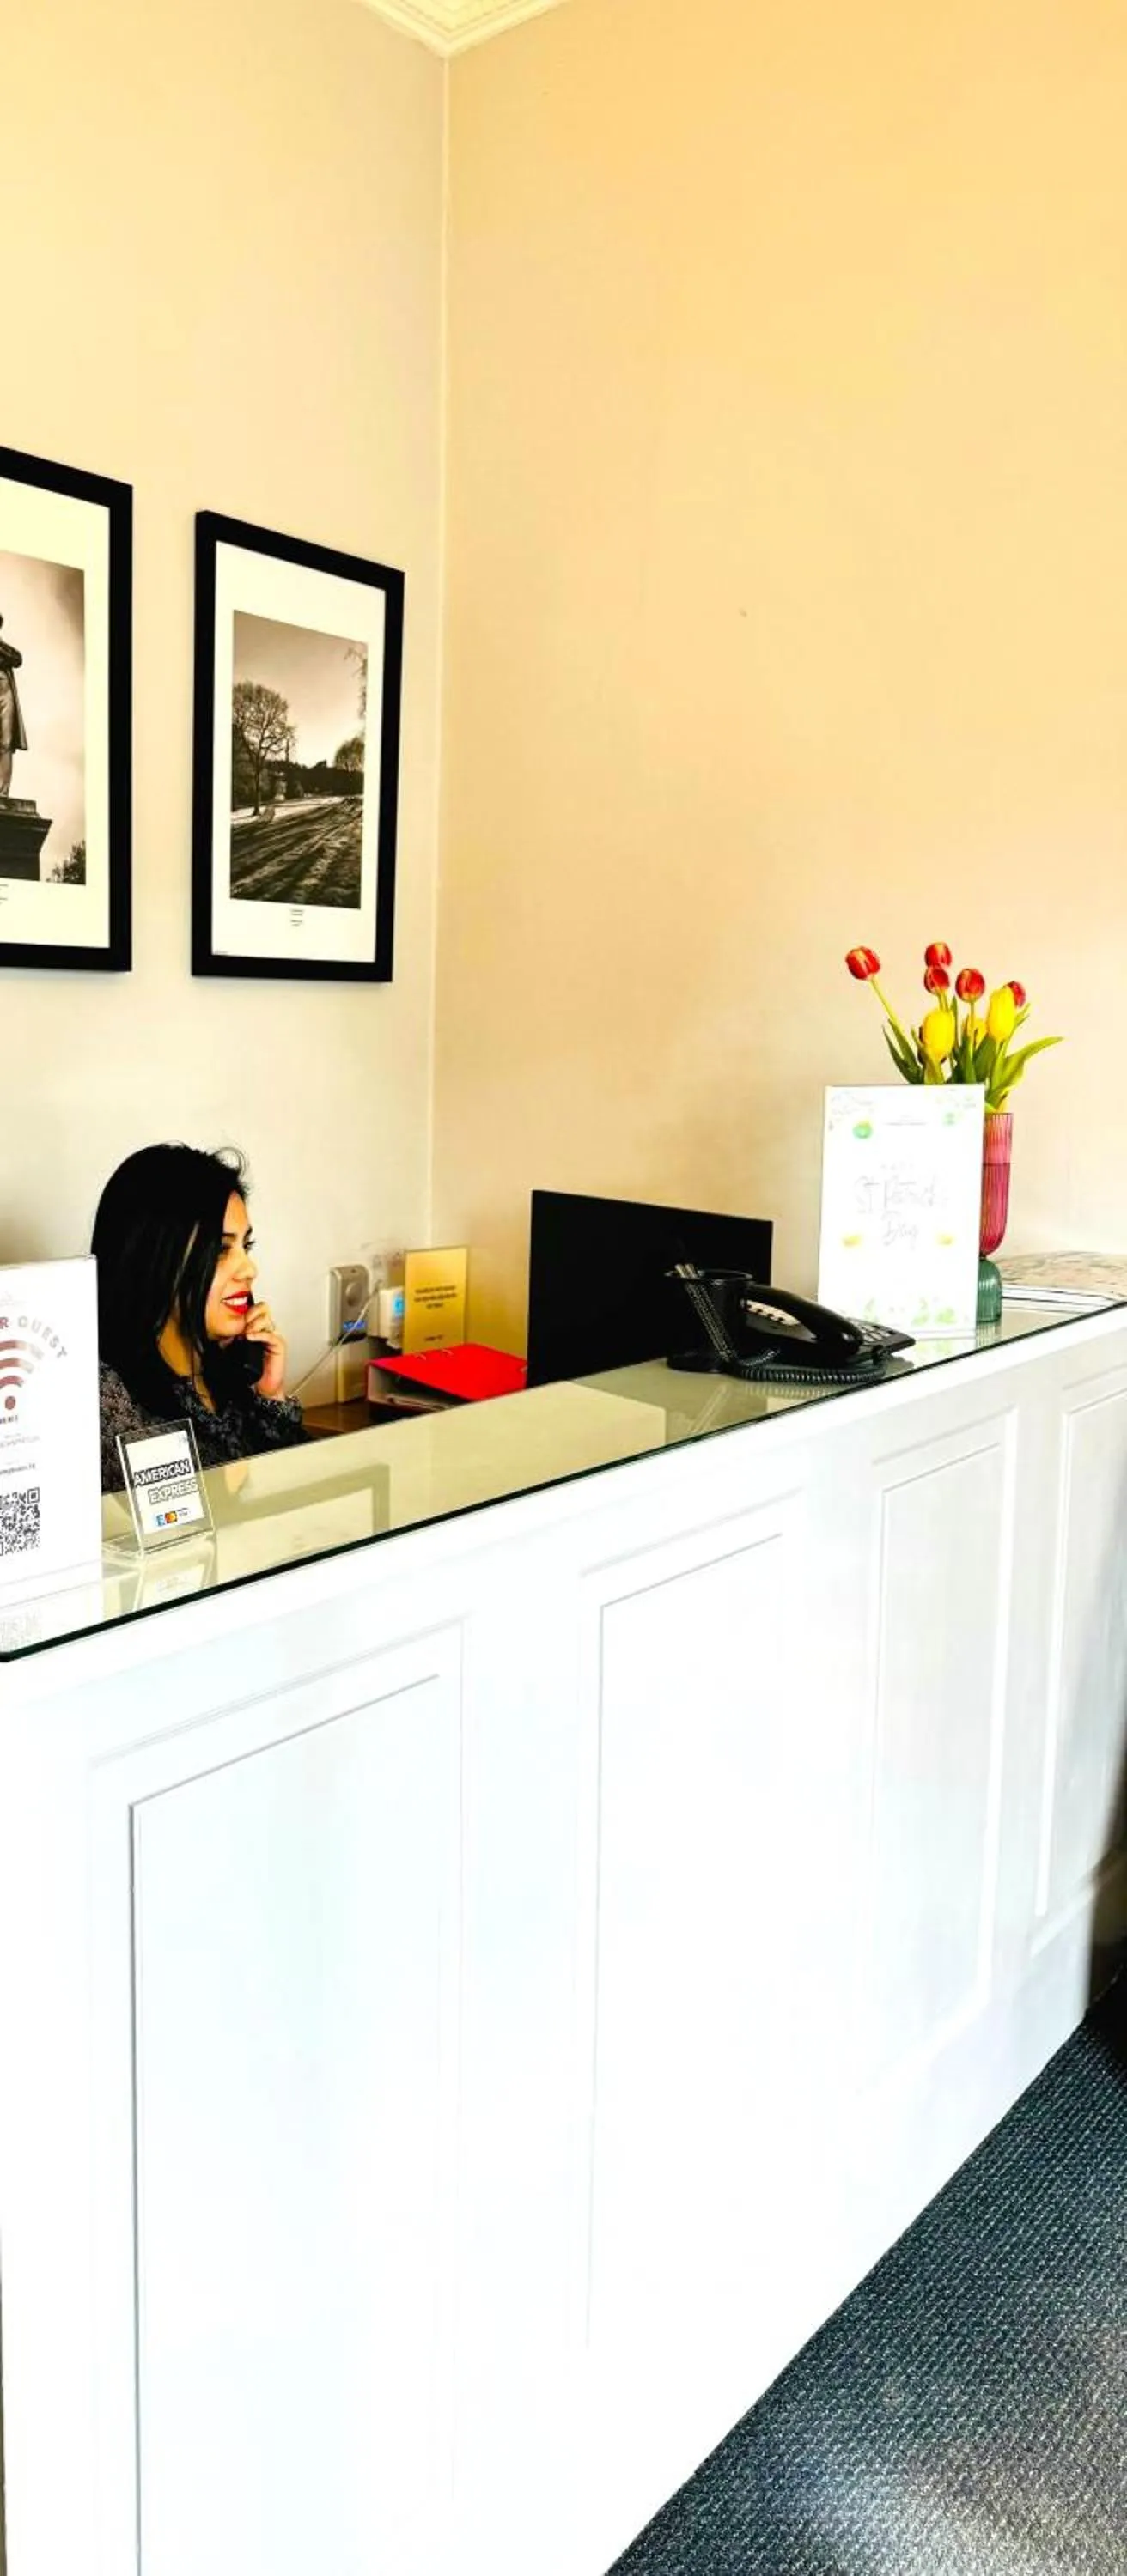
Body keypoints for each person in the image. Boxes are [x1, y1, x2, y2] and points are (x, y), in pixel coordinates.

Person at [93, 1143, 308, 1493]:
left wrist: (271, 1396)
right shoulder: (108, 1396)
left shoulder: (225, 1371)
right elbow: (179, 1521)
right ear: (155, 1259)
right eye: (222, 1249)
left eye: (245, 1247)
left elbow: (303, 1501)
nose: (250, 1269)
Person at [0, 611, 28, 800]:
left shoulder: (5, 650)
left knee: (6, 743)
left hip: (3, 691)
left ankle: (2, 793)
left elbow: (18, 659)